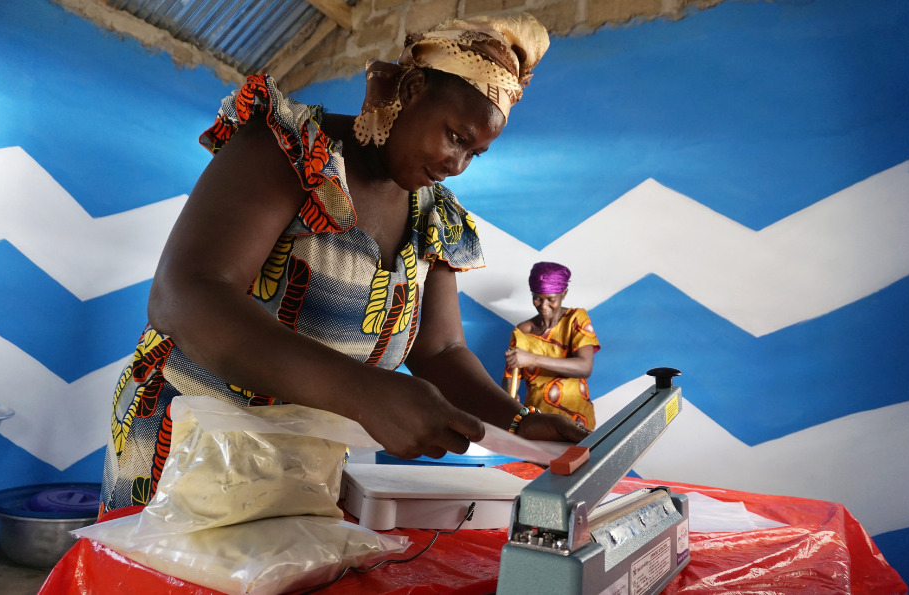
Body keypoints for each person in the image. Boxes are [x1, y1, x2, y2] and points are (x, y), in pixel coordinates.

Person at [99, 13, 591, 514]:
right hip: (187, 445)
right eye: (456, 137)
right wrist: (365, 393)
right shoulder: (293, 151)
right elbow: (185, 296)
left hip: (300, 462)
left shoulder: (434, 217)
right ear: (414, 88)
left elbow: (440, 351)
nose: (456, 165)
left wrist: (514, 421)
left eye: (475, 154)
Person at [503, 262, 601, 429]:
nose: (543, 306)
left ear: (564, 294)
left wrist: (533, 359)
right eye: (537, 298)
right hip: (537, 421)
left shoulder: (576, 320)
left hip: (576, 420)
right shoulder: (522, 331)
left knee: (575, 456)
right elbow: (511, 377)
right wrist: (508, 398)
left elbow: (585, 367)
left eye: (551, 299)